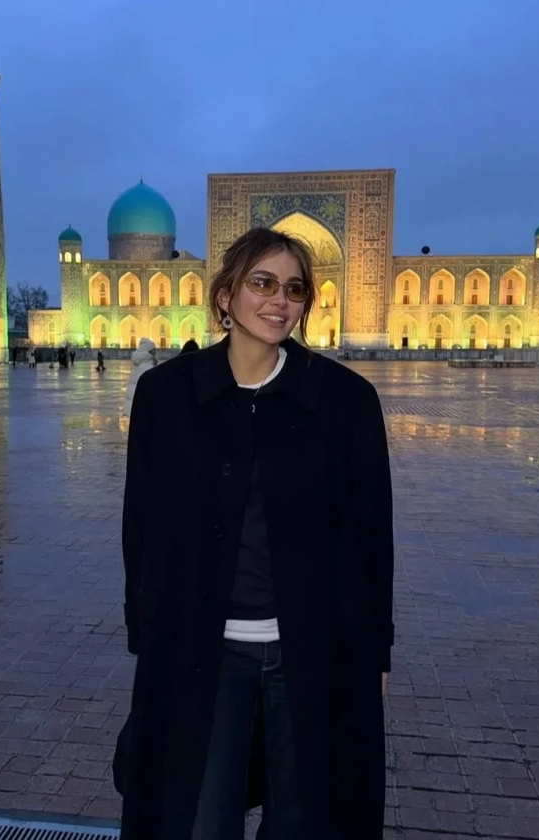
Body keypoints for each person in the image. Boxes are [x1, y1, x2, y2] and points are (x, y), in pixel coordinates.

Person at [118, 227, 394, 840]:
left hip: (314, 650)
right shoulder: (167, 397)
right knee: (200, 818)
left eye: (294, 289)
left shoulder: (344, 403)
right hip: (206, 651)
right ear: (225, 295)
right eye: (262, 283)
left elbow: (372, 537)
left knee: (307, 820)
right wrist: (149, 634)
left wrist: (376, 650)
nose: (279, 301)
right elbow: (142, 526)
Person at [122, 338, 157, 416]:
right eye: (154, 350)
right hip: (143, 407)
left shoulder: (138, 365)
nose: (156, 352)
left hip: (133, 406)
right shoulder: (148, 367)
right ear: (149, 352)